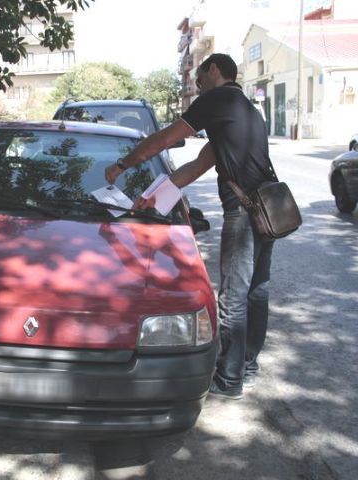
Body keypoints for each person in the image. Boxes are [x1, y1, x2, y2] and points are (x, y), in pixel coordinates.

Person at [104, 53, 275, 400]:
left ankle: (228, 380)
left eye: (199, 79)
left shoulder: (218, 99)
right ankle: (246, 368)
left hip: (244, 212)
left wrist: (122, 165)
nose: (198, 86)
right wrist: (155, 196)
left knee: (234, 296)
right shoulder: (243, 109)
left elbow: (163, 140)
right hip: (266, 210)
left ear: (214, 70)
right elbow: (197, 166)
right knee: (256, 292)